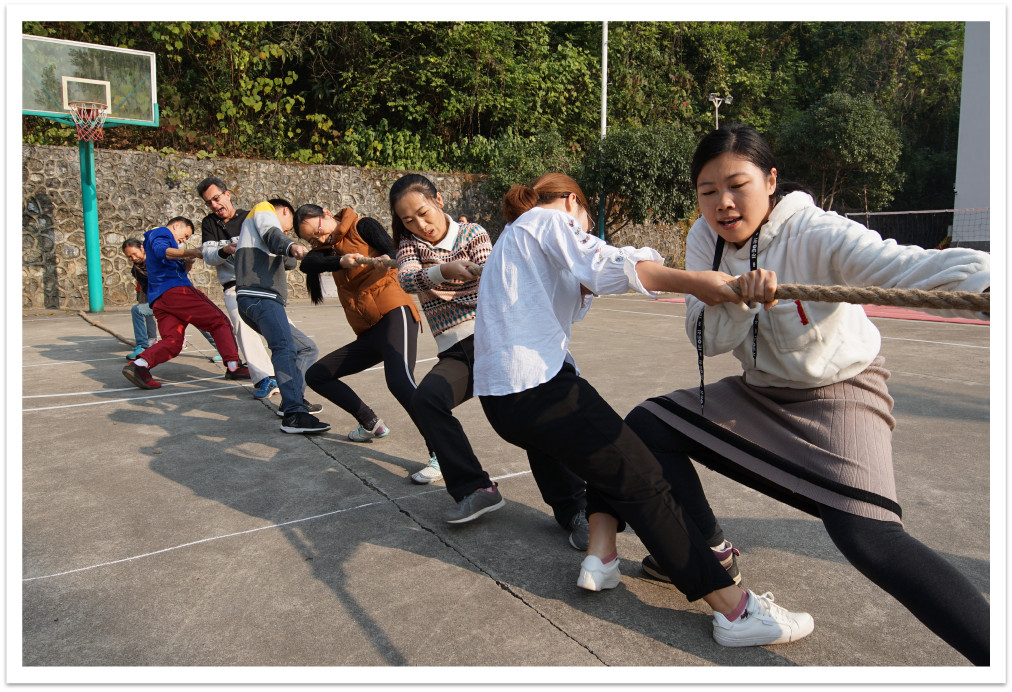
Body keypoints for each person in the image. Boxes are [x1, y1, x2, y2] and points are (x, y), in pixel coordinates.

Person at [612, 124, 990, 664]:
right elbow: (705, 338)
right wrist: (738, 299)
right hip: (758, 394)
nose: (723, 203)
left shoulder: (816, 231)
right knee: (647, 424)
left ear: (770, 181)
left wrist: (984, 284)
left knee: (870, 542)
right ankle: (716, 553)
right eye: (708, 190)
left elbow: (902, 265)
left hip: (841, 393)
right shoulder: (704, 241)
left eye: (737, 185)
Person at [474, 172, 817, 648]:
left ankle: (602, 557)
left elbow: (579, 293)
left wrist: (615, 273)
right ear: (576, 202)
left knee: (616, 454)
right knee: (645, 481)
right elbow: (609, 266)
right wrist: (696, 282)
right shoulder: (548, 222)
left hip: (508, 396)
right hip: (539, 387)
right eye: (586, 221)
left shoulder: (514, 239)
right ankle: (734, 611)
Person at [391, 174, 589, 543]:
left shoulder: (473, 234)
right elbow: (407, 279)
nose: (420, 224)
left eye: (422, 212)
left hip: (495, 338)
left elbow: (491, 277)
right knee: (427, 399)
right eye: (408, 220)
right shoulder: (408, 245)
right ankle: (474, 489)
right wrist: (444, 272)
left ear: (439, 201)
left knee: (531, 417)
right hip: (456, 350)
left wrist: (438, 280)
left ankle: (575, 509)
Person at [293, 204, 445, 467]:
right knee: (318, 375)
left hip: (395, 314)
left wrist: (383, 265)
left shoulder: (362, 225)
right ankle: (370, 422)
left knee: (400, 383)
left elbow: (395, 252)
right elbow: (308, 264)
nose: (317, 239)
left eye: (317, 231)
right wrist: (340, 260)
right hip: (369, 330)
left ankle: (442, 453)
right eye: (310, 239)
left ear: (327, 213)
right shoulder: (326, 248)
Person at [234, 199, 329, 435]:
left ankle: (291, 400)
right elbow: (272, 231)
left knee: (306, 348)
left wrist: (290, 249)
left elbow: (286, 261)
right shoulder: (263, 209)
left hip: (255, 301)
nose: (289, 231)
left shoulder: (263, 237)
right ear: (285, 211)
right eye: (289, 225)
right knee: (285, 349)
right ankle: (294, 415)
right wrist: (290, 245)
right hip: (261, 297)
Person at [122, 217, 242, 390]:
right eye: (185, 235)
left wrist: (187, 262)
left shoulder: (163, 247)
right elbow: (162, 251)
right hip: (176, 292)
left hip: (160, 300)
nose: (184, 240)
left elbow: (174, 266)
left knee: (173, 342)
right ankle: (233, 366)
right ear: (176, 225)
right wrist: (191, 252)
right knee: (219, 322)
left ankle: (139, 365)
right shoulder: (161, 232)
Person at [197, 176, 278, 399]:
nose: (214, 205)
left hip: (263, 283)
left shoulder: (250, 218)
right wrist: (227, 250)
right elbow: (209, 256)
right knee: (243, 328)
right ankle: (265, 378)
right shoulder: (210, 224)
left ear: (228, 194)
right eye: (209, 203)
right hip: (235, 287)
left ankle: (292, 371)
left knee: (283, 329)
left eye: (216, 198)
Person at [121, 239, 222, 362]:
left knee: (199, 320)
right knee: (137, 310)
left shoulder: (159, 257)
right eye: (129, 257)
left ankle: (221, 349)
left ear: (142, 248)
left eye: (134, 254)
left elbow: (182, 269)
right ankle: (143, 346)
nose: (133, 258)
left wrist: (188, 260)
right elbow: (148, 289)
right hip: (162, 303)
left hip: (179, 299)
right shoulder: (136, 270)